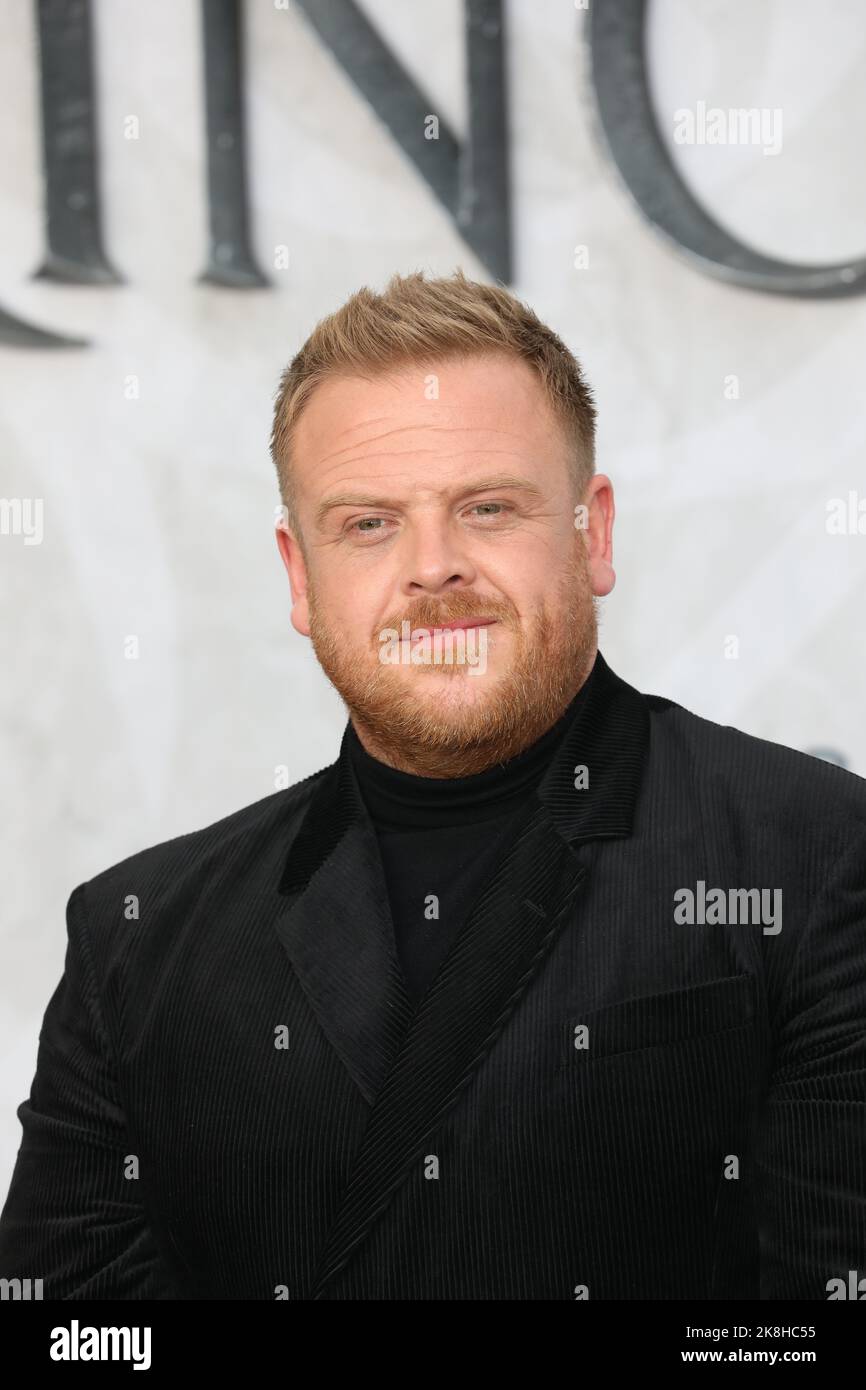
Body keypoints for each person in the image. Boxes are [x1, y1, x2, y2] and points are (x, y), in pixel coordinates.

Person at [1, 270, 864, 1300]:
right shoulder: (136, 937)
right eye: (367, 524)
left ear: (591, 533)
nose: (432, 567)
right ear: (297, 576)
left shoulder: (816, 858)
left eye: (486, 508)